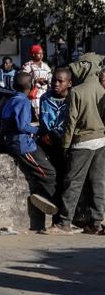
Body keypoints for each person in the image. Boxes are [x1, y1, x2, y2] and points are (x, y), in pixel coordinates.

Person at [0, 72, 61, 233]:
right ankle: (55, 206)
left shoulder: (11, 99)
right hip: (22, 145)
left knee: (39, 170)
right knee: (49, 173)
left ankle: (42, 195)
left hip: (14, 142)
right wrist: (38, 129)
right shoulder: (23, 102)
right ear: (31, 85)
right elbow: (22, 125)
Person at [58, 54, 105, 235]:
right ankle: (96, 223)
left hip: (81, 143)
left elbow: (71, 122)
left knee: (73, 182)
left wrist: (65, 144)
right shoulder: (101, 91)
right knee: (98, 183)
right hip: (101, 141)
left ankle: (64, 222)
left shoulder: (76, 91)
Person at [39, 67, 72, 186]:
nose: (55, 84)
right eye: (53, 80)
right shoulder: (45, 98)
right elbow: (42, 121)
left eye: (60, 81)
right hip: (48, 143)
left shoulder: (73, 99)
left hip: (67, 144)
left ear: (69, 83)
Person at [21, 44, 53, 114]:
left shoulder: (45, 65)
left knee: (45, 111)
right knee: (36, 112)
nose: (41, 55)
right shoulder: (28, 65)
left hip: (45, 92)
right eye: (39, 53)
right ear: (33, 54)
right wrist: (35, 81)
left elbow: (50, 76)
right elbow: (23, 78)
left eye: (42, 53)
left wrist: (48, 81)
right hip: (34, 93)